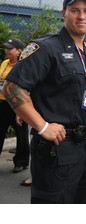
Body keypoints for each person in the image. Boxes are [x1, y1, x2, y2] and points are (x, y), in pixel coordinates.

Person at [3, 0, 86, 203]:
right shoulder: (45, 47)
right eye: (74, 10)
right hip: (57, 150)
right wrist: (42, 126)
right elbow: (11, 87)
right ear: (63, 13)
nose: (81, 16)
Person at [0, 38, 30, 174]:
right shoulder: (4, 63)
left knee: (21, 135)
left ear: (19, 51)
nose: (6, 50)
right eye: (6, 48)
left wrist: (20, 111)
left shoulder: (24, 65)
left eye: (10, 48)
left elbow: (27, 87)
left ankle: (21, 162)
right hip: (2, 103)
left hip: (18, 105)